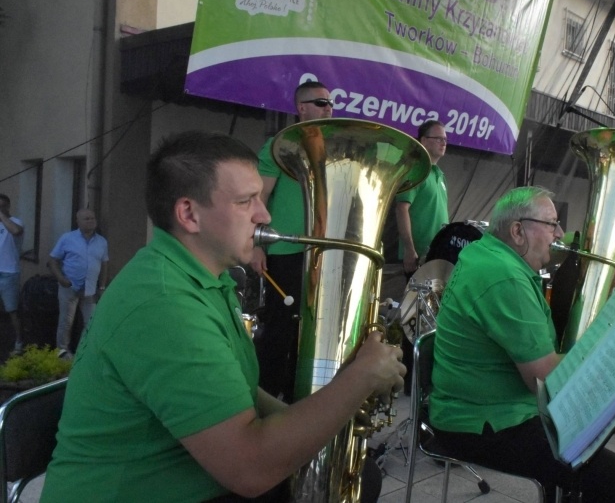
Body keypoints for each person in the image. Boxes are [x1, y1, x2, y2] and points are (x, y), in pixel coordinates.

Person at [41, 130, 404, 502]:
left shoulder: (205, 278)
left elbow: (239, 389)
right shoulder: (166, 304)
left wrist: (323, 423)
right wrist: (360, 377)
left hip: (192, 480)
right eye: (247, 201)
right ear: (189, 214)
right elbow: (250, 470)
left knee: (361, 479)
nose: (264, 214)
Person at [428, 186, 615, 503]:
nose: (557, 233)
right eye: (551, 224)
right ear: (518, 231)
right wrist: (610, 348)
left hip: (479, 408)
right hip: (484, 425)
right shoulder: (505, 276)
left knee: (589, 449)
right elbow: (544, 380)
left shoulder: (486, 252)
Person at [249, 79, 333, 402]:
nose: (329, 108)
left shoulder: (330, 147)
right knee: (280, 330)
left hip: (319, 252)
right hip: (284, 251)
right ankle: (264, 400)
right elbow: (260, 197)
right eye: (321, 103)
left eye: (329, 102)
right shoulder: (278, 147)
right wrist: (256, 244)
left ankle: (298, 402)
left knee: (310, 331)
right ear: (302, 108)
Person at [47, 208, 109, 359]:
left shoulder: (101, 241)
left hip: (90, 289)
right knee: (66, 322)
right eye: (86, 219)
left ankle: (84, 351)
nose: (90, 221)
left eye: (92, 218)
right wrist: (61, 278)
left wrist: (102, 286)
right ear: (78, 222)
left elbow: (104, 264)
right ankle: (62, 352)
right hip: (69, 287)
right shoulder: (67, 238)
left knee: (92, 322)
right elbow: (53, 260)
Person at [395, 119, 449, 280]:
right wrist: (409, 249)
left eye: (445, 139)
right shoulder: (415, 170)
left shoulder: (440, 175)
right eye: (438, 138)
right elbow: (401, 208)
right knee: (416, 304)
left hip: (437, 254)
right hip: (418, 257)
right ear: (424, 141)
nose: (443, 143)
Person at [0, 194, 24, 354]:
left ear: (8, 207)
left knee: (12, 310)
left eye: (2, 206)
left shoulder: (16, 222)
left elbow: (15, 231)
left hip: (9, 273)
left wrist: (1, 215)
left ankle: (19, 342)